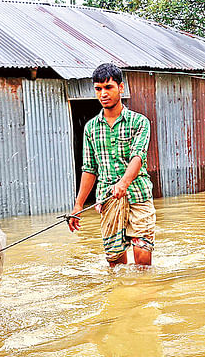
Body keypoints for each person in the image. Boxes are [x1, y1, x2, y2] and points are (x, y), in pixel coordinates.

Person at [67, 63, 156, 267]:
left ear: (121, 88)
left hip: (138, 195)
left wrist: (124, 183)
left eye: (109, 87)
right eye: (98, 89)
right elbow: (89, 169)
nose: (103, 94)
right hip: (107, 200)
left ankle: (144, 295)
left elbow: (138, 156)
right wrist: (78, 205)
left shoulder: (140, 122)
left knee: (142, 255)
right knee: (116, 264)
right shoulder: (90, 128)